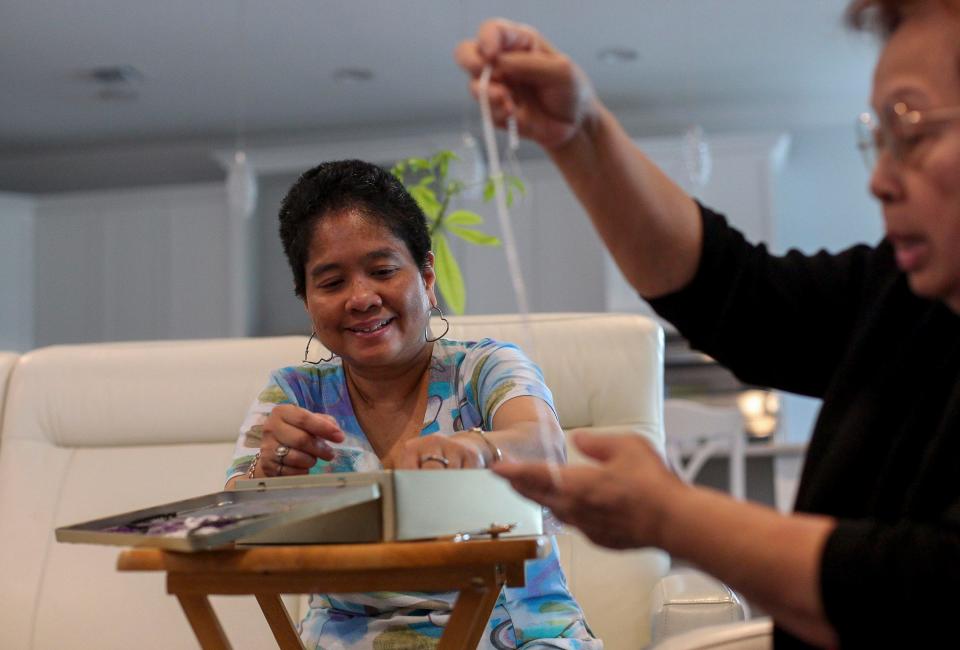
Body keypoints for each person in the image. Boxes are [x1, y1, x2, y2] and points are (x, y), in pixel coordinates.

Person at [455, 1, 960, 648]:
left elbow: (928, 591)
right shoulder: (902, 294)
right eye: (881, 139)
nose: (882, 180)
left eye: (912, 131)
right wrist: (578, 133)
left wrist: (671, 515)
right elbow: (737, 294)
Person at [225, 159, 600, 649]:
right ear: (307, 301)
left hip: (513, 634)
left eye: (382, 270)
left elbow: (546, 454)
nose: (360, 298)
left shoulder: (487, 368)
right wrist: (267, 475)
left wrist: (477, 450)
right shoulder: (295, 393)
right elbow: (228, 521)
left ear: (426, 276)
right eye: (332, 283)